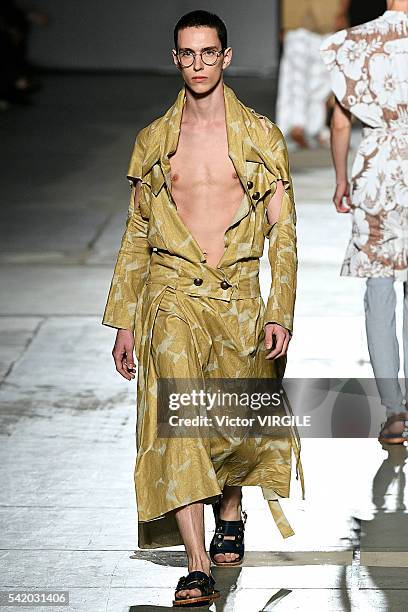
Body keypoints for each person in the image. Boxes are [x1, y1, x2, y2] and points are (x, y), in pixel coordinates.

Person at [102, 10, 304, 607]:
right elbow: (137, 232)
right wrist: (124, 322)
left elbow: (284, 232)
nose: (197, 64)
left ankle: (232, 510)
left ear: (227, 56)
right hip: (170, 295)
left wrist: (279, 309)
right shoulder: (154, 140)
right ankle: (195, 565)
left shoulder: (260, 137)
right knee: (181, 421)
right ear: (175, 59)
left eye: (208, 53)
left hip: (239, 296)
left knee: (232, 423)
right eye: (187, 54)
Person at [320, 2, 408, 445]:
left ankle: (394, 412)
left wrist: (340, 178)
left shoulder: (351, 44)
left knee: (379, 291)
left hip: (375, 173)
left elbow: (340, 121)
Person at [276, 0, 345, 149]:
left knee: (321, 80)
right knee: (295, 76)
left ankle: (312, 127)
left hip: (326, 17)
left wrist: (341, 12)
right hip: (298, 19)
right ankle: (295, 126)